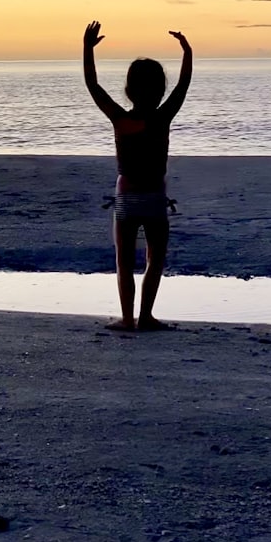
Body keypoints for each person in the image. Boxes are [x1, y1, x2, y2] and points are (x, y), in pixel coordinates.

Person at [83, 21, 193, 331]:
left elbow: (93, 86)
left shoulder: (120, 119)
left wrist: (87, 50)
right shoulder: (162, 118)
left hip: (127, 198)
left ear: (129, 89)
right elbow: (183, 86)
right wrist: (187, 53)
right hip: (155, 198)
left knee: (124, 262)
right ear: (160, 90)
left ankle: (128, 318)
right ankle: (145, 316)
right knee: (154, 260)